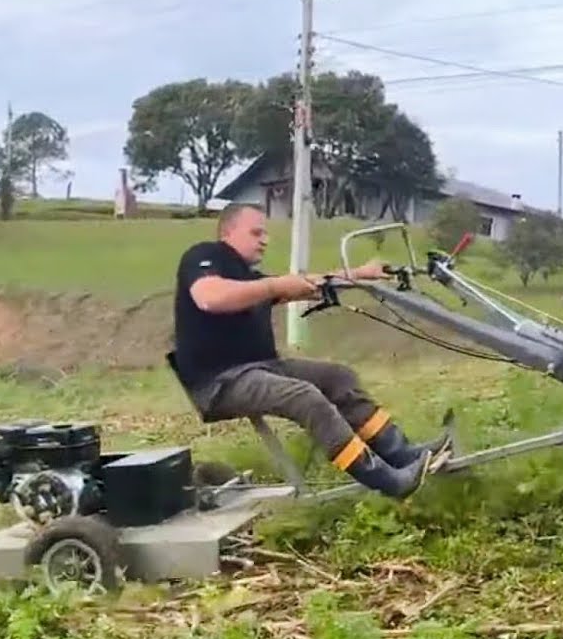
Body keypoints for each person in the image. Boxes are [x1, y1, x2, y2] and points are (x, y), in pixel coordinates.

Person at [171, 203, 451, 499]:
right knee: (304, 397)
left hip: (260, 368)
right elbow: (210, 298)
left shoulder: (250, 278)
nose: (265, 239)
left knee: (339, 377)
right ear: (228, 231)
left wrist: (359, 274)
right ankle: (389, 481)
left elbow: (303, 286)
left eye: (265, 233)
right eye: (256, 232)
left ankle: (402, 454)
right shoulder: (203, 257)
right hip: (219, 382)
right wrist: (274, 285)